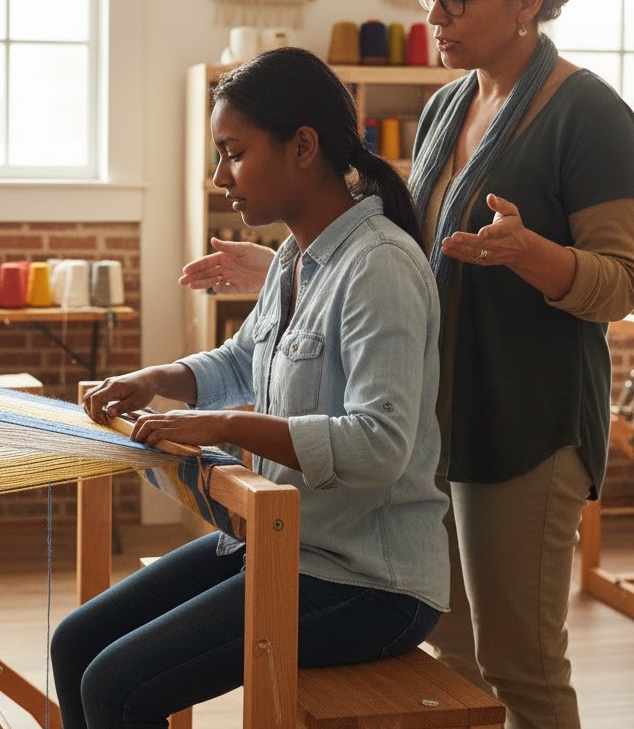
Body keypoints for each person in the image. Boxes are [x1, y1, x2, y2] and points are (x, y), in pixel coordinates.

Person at [179, 0, 634, 729]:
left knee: (521, 666)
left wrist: (530, 253)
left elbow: (622, 281)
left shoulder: (589, 114)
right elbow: (397, 255)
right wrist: (288, 265)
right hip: (435, 423)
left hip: (525, 429)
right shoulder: (445, 106)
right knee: (450, 661)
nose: (436, 14)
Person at [51, 47, 450, 729]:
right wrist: (157, 379)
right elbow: (242, 360)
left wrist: (228, 427)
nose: (220, 175)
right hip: (278, 543)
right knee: (77, 643)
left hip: (367, 582)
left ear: (302, 146)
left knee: (117, 685)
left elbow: (381, 443)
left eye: (233, 153)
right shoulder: (297, 257)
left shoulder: (378, 267)